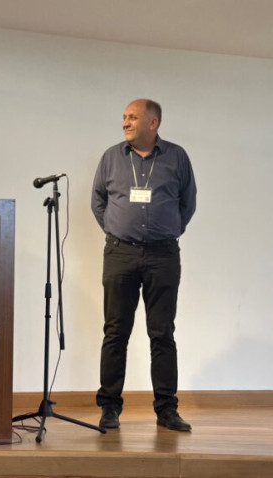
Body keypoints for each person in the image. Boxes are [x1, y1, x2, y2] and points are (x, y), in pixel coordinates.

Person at [91, 98, 197, 431]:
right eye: (124, 117)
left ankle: (166, 410)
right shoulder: (111, 157)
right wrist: (117, 230)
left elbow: (187, 203)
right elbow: (98, 201)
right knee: (115, 331)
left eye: (133, 117)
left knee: (162, 333)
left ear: (153, 123)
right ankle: (109, 407)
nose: (125, 122)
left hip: (163, 255)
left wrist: (168, 230)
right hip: (120, 253)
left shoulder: (176, 157)